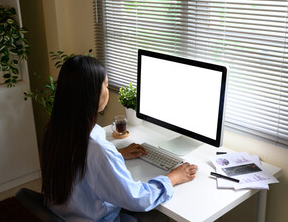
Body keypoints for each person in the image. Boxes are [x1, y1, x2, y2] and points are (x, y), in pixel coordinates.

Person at [41, 55, 198, 222]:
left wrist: (117, 153)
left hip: (65, 215)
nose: (108, 91)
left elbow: (83, 163)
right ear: (93, 94)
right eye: (106, 85)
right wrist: (172, 178)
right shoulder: (98, 151)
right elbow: (137, 199)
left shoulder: (55, 130)